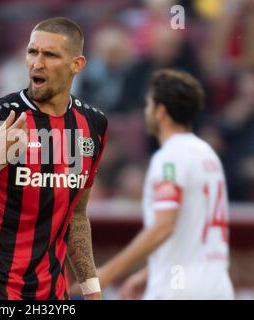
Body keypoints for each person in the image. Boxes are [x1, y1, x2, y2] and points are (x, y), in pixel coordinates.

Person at [0, 17, 108, 300]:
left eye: (50, 54)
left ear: (76, 65)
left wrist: (92, 291)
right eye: (32, 52)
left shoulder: (93, 125)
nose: (36, 63)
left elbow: (76, 215)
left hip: (52, 294)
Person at [87, 69, 234, 299]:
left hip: (178, 289)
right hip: (217, 287)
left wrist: (107, 272)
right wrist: (147, 274)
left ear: (161, 111)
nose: (146, 111)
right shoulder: (207, 155)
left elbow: (164, 227)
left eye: (148, 105)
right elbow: (191, 231)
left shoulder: (170, 157)